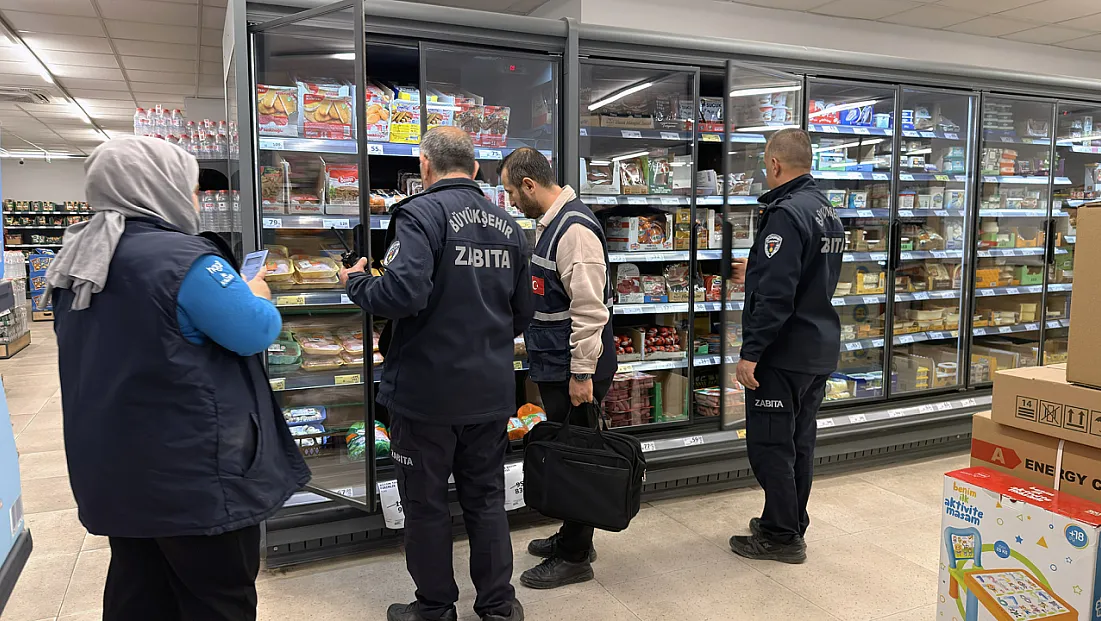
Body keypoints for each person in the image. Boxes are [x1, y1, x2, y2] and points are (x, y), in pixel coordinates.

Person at [47, 136, 311, 621]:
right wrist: (256, 290)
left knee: (140, 590)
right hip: (192, 474)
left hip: (116, 466)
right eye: (190, 187)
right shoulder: (186, 261)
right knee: (216, 597)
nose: (196, 200)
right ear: (158, 186)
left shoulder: (77, 259)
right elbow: (255, 330)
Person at [339, 126, 531, 621]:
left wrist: (357, 282)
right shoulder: (508, 225)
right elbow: (523, 312)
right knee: (486, 500)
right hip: (489, 389)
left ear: (425, 165)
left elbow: (403, 294)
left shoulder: (419, 214)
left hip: (426, 395)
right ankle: (498, 607)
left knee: (425, 505)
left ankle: (436, 607)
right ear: (474, 167)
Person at [499, 147, 615, 589]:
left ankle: (575, 556)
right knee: (569, 454)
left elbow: (589, 309)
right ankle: (573, 536)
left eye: (512, 191)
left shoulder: (573, 230)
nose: (510, 200)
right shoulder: (550, 226)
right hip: (557, 364)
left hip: (575, 369)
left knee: (577, 461)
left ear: (530, 185)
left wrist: (582, 374)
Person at [727, 128, 844, 564]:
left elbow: (778, 294)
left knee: (772, 445)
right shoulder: (824, 210)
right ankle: (791, 520)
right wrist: (756, 269)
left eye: (764, 163)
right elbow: (805, 272)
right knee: (799, 442)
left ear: (774, 164)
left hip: (783, 352)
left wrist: (751, 352)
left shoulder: (785, 212)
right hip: (816, 349)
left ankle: (780, 536)